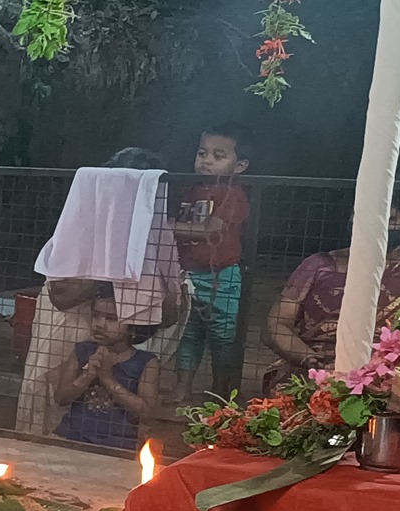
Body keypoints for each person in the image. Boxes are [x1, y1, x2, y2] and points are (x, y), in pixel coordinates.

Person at [14, 148, 187, 437]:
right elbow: (60, 297)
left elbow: (168, 316)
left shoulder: (155, 237)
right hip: (70, 332)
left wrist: (153, 286)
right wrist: (110, 267)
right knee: (48, 401)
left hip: (125, 346)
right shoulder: (78, 229)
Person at [265, 194, 400, 385]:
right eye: (360, 214)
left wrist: (381, 371)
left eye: (387, 218)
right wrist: (310, 360)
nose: (369, 225)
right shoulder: (319, 265)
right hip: (314, 373)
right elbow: (276, 325)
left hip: (390, 380)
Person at [170, 124, 251, 399]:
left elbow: (212, 228)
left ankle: (221, 392)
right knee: (187, 334)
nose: (206, 161)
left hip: (223, 277)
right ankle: (181, 389)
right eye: (202, 153)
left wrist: (167, 227)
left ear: (239, 166)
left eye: (218, 156)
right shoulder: (188, 189)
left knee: (224, 338)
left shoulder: (233, 194)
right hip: (187, 273)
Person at [51, 289, 159, 449]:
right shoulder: (82, 351)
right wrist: (87, 376)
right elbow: (61, 398)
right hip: (72, 436)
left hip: (117, 444)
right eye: (96, 316)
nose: (100, 324)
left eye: (111, 319)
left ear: (132, 325)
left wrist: (108, 379)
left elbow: (147, 413)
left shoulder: (145, 362)